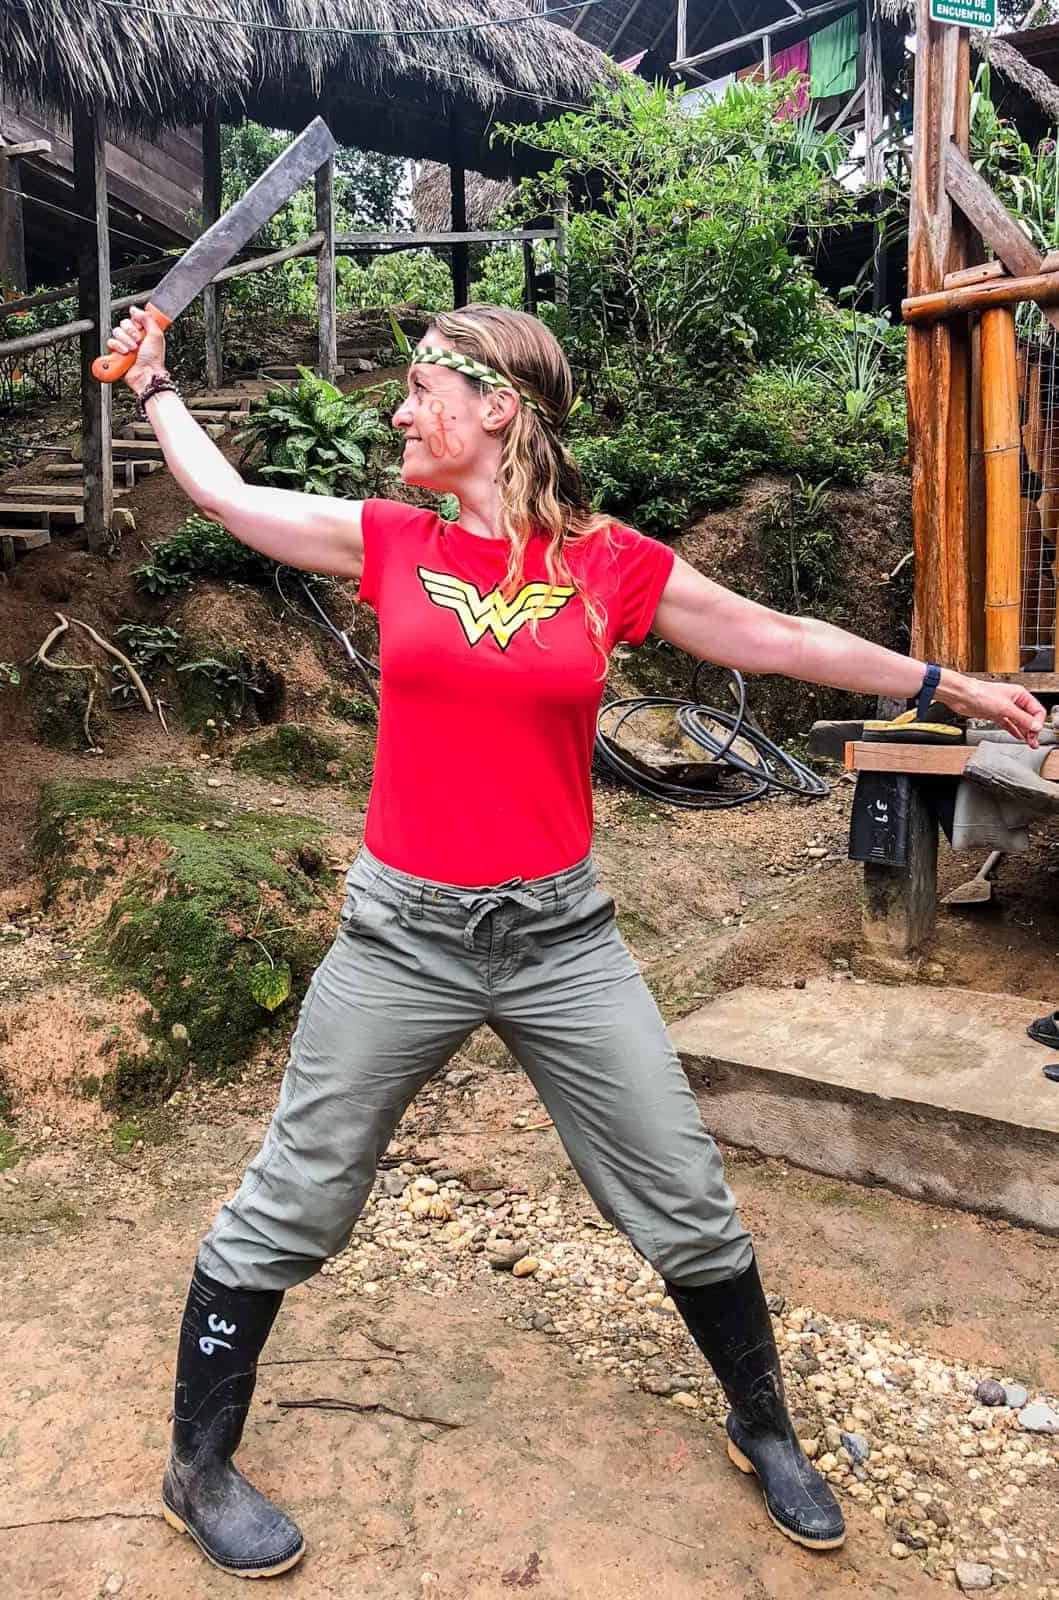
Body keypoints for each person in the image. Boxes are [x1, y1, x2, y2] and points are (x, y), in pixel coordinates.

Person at [104, 303, 1046, 1579]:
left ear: (496, 406)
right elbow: (227, 495)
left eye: (418, 390)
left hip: (559, 938)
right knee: (297, 1199)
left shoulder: (607, 565)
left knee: (684, 1194)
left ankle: (759, 1422)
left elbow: (778, 638)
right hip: (404, 936)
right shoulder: (389, 541)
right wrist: (154, 383)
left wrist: (944, 683)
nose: (395, 414)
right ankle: (195, 1464)